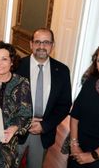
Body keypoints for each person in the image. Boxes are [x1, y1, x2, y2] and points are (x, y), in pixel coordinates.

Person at [16, 28, 72, 168]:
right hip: (16, 130)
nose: (41, 46)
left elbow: (64, 105)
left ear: (52, 45)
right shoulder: (17, 66)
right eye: (38, 42)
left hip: (43, 132)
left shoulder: (62, 71)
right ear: (31, 44)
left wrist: (44, 126)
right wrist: (23, 121)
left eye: (46, 42)